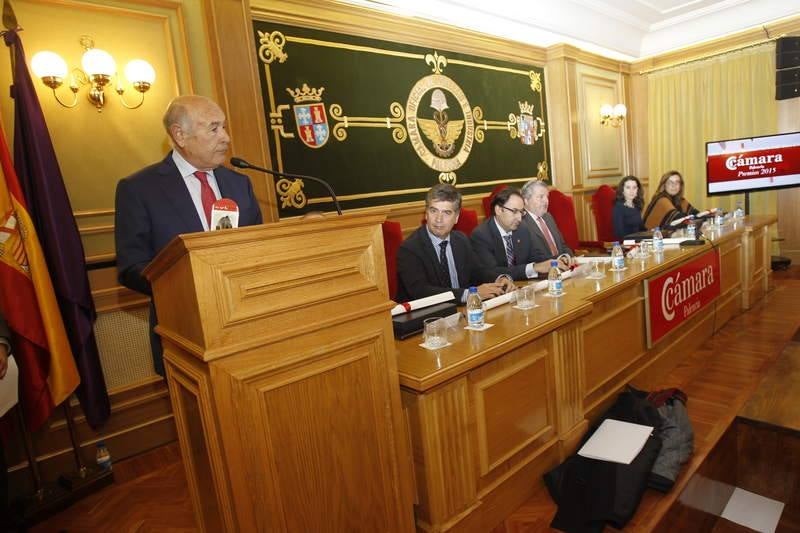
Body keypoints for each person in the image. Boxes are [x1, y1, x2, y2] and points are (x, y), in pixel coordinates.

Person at [115, 95, 263, 375]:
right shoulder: (139, 189)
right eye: (214, 128)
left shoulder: (239, 183)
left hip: (247, 326)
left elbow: (256, 248)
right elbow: (131, 267)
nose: (226, 137)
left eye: (224, 127)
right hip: (185, 332)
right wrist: (193, 286)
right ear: (180, 135)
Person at [396, 183, 513, 303]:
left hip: (463, 312)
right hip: (428, 317)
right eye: (433, 211)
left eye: (446, 213)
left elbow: (478, 271)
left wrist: (499, 279)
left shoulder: (461, 240)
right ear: (426, 214)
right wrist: (468, 294)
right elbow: (421, 292)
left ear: (456, 217)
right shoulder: (410, 248)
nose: (438, 219)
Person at [471, 187, 556, 280]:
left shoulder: (522, 229)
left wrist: (557, 260)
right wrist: (533, 268)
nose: (519, 218)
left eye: (521, 212)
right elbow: (492, 272)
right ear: (499, 210)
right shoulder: (481, 235)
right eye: (514, 211)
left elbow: (536, 256)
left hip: (522, 286)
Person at [520, 179, 572, 269]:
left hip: (563, 269)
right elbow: (532, 258)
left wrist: (568, 256)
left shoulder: (548, 217)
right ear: (526, 201)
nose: (546, 201)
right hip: (542, 276)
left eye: (547, 197)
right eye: (540, 197)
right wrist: (560, 259)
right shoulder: (521, 223)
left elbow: (563, 245)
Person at [612, 175, 646, 240]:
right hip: (626, 245)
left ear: (638, 190)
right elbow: (619, 234)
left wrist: (651, 233)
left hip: (637, 242)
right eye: (628, 187)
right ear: (622, 190)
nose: (631, 191)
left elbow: (641, 228)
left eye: (634, 187)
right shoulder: (618, 208)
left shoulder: (636, 205)